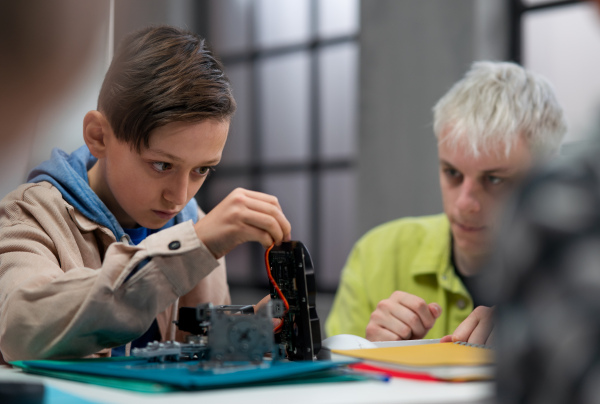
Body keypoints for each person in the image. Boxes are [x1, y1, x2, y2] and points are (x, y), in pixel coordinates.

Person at [0, 25, 291, 362]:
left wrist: (249, 334)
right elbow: (21, 332)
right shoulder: (29, 217)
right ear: (99, 136)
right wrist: (191, 249)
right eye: (162, 165)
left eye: (201, 170)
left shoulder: (194, 222)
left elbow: (184, 353)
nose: (179, 197)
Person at [325, 61, 567, 344]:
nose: (465, 203)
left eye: (495, 180)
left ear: (546, 175)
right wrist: (370, 354)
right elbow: (333, 382)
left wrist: (531, 344)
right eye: (452, 173)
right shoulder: (379, 254)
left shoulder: (578, 266)